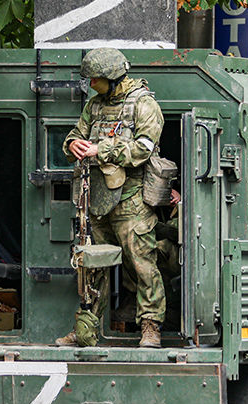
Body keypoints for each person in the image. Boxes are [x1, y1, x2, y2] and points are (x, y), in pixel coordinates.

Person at [56, 47, 166, 348]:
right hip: (97, 200)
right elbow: (74, 136)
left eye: (95, 79)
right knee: (93, 266)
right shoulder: (94, 106)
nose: (91, 84)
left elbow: (143, 149)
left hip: (131, 200)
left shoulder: (144, 105)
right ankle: (86, 331)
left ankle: (150, 327)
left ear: (113, 77)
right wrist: (74, 144)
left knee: (142, 264)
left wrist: (100, 150)